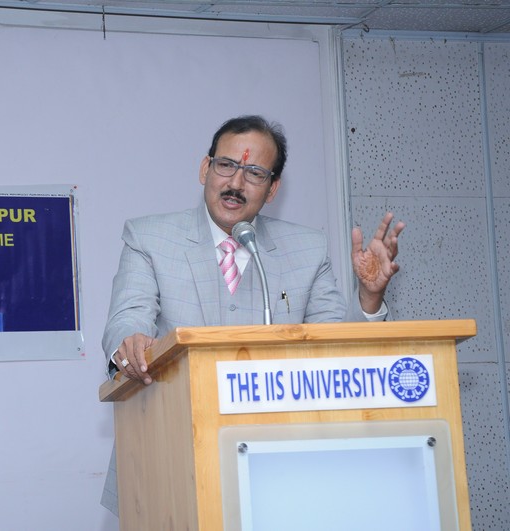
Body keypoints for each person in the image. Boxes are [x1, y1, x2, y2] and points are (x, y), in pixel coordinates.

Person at [99, 115, 404, 515]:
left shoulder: (307, 249)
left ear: (273, 188)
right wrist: (130, 344)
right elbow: (128, 318)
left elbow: (337, 351)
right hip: (168, 460)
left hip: (278, 471)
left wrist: (368, 297)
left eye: (255, 173)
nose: (236, 183)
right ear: (205, 169)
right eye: (226, 165)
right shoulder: (150, 238)